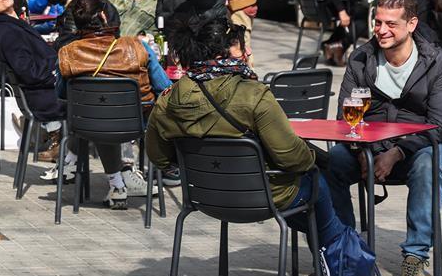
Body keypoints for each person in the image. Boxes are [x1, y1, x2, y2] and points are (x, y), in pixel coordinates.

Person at [145, 17, 348, 254]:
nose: (248, 51)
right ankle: (343, 265)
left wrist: (200, 166)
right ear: (221, 55)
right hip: (266, 196)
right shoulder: (253, 94)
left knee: (317, 194)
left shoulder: (168, 99)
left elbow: (158, 157)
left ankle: (337, 254)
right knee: (320, 184)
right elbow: (291, 158)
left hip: (204, 196)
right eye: (241, 46)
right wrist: (310, 159)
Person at [325, 0, 442, 276]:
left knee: (428, 164)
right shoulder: (362, 58)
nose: (381, 30)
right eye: (378, 22)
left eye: (391, 24)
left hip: (421, 147)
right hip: (371, 147)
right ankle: (346, 251)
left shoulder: (439, 63)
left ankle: (415, 257)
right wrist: (363, 151)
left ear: (412, 24)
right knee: (334, 160)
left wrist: (397, 153)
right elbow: (346, 116)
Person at [55, 0, 165, 207]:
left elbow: (61, 93)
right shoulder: (137, 46)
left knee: (98, 113)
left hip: (86, 124)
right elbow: (164, 87)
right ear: (105, 17)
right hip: (135, 124)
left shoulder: (67, 53)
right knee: (111, 116)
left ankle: (110, 181)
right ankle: (158, 173)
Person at [0, 0, 68, 167]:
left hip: (50, 92)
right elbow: (29, 72)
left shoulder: (14, 24)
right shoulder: (5, 32)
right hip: (48, 98)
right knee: (103, 107)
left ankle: (69, 161)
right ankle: (119, 174)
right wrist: (59, 69)